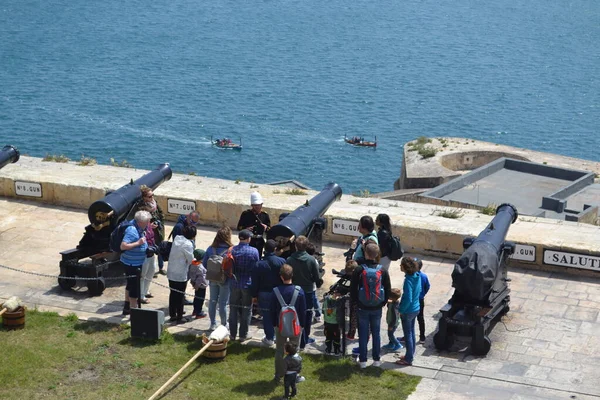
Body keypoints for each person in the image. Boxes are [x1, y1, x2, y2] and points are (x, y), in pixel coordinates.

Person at [350, 243, 391, 368]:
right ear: (377, 255)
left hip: (363, 306)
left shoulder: (359, 269)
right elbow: (388, 289)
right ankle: (376, 359)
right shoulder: (382, 270)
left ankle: (362, 361)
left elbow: (353, 289)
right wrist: (382, 303)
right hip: (376, 307)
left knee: (363, 334)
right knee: (376, 333)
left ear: (366, 253)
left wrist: (357, 302)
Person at [271, 264, 306, 384]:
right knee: (294, 350)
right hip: (295, 324)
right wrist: (302, 325)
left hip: (279, 324)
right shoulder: (299, 291)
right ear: (292, 275)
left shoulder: (275, 291)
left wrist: (274, 324)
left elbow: (272, 310)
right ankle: (294, 375)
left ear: (281, 277)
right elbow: (303, 310)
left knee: (280, 350)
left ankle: (278, 375)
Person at [286, 235, 321, 349]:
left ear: (296, 246)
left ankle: (295, 338)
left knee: (294, 314)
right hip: (307, 291)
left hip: (294, 290)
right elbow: (316, 276)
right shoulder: (311, 260)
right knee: (307, 314)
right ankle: (304, 339)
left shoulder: (290, 259)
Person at [251, 239, 286, 346]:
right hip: (279, 292)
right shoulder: (282, 261)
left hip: (264, 293)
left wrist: (254, 295)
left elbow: (255, 282)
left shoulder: (258, 264)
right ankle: (280, 337)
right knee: (279, 315)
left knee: (266, 316)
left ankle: (270, 338)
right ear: (275, 249)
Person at [127, 185, 166, 276]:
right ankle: (151, 269)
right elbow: (139, 220)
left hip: (158, 231)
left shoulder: (154, 203)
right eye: (149, 196)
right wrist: (149, 226)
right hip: (149, 232)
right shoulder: (141, 207)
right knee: (150, 250)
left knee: (160, 249)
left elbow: (161, 213)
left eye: (152, 195)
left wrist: (160, 222)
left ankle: (161, 268)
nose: (152, 197)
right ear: (144, 197)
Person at [229, 229, 259, 341]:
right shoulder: (254, 251)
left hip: (234, 283)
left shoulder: (232, 250)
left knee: (233, 309)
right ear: (247, 239)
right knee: (247, 310)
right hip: (247, 284)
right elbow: (256, 268)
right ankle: (243, 335)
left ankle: (232, 334)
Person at [204, 226, 234, 330]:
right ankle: (224, 324)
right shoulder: (231, 250)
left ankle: (212, 323)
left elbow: (204, 264)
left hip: (212, 278)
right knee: (223, 303)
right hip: (225, 280)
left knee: (212, 301)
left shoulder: (210, 249)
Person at [121, 211, 150, 315]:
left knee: (130, 284)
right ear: (140, 222)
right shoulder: (132, 230)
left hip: (133, 262)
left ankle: (127, 307)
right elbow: (123, 246)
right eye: (147, 222)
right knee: (134, 288)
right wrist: (139, 243)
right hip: (132, 263)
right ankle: (134, 311)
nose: (148, 223)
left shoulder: (138, 227)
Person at [395, 256, 422, 366]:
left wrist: (401, 310)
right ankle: (410, 355)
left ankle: (408, 359)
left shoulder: (408, 281)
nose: (400, 266)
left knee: (408, 335)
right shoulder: (417, 276)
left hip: (408, 311)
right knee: (411, 332)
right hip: (416, 308)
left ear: (405, 267)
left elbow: (408, 298)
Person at [167, 225, 196, 323]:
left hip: (171, 271)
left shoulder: (177, 239)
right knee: (180, 296)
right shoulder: (188, 244)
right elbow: (191, 260)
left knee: (173, 294)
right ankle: (179, 317)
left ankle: (172, 314)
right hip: (180, 274)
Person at [237, 192, 271, 258]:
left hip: (259, 242)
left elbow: (269, 229)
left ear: (262, 204)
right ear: (252, 205)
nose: (257, 207)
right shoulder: (246, 214)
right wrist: (246, 229)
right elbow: (239, 227)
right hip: (248, 241)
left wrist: (266, 228)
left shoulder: (265, 215)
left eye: (259, 205)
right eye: (255, 205)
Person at [139, 213, 157, 304]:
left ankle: (145, 291)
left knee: (151, 272)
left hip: (151, 253)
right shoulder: (139, 229)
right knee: (143, 275)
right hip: (144, 255)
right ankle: (141, 295)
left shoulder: (149, 226)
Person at [306, 242, 323, 323]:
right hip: (312, 285)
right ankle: (318, 314)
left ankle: (317, 314)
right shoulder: (315, 261)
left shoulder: (308, 260)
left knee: (313, 300)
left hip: (309, 284)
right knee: (315, 300)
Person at [189, 249, 208, 319]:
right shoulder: (199, 267)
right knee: (200, 299)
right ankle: (198, 313)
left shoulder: (192, 264)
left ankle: (195, 310)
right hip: (201, 285)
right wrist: (197, 286)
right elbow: (200, 278)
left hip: (195, 283)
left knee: (196, 298)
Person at [322, 290, 341, 355]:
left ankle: (328, 349)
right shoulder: (338, 303)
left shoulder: (325, 301)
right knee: (336, 338)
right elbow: (339, 315)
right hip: (335, 324)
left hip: (327, 323)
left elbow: (323, 312)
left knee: (328, 337)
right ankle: (336, 350)